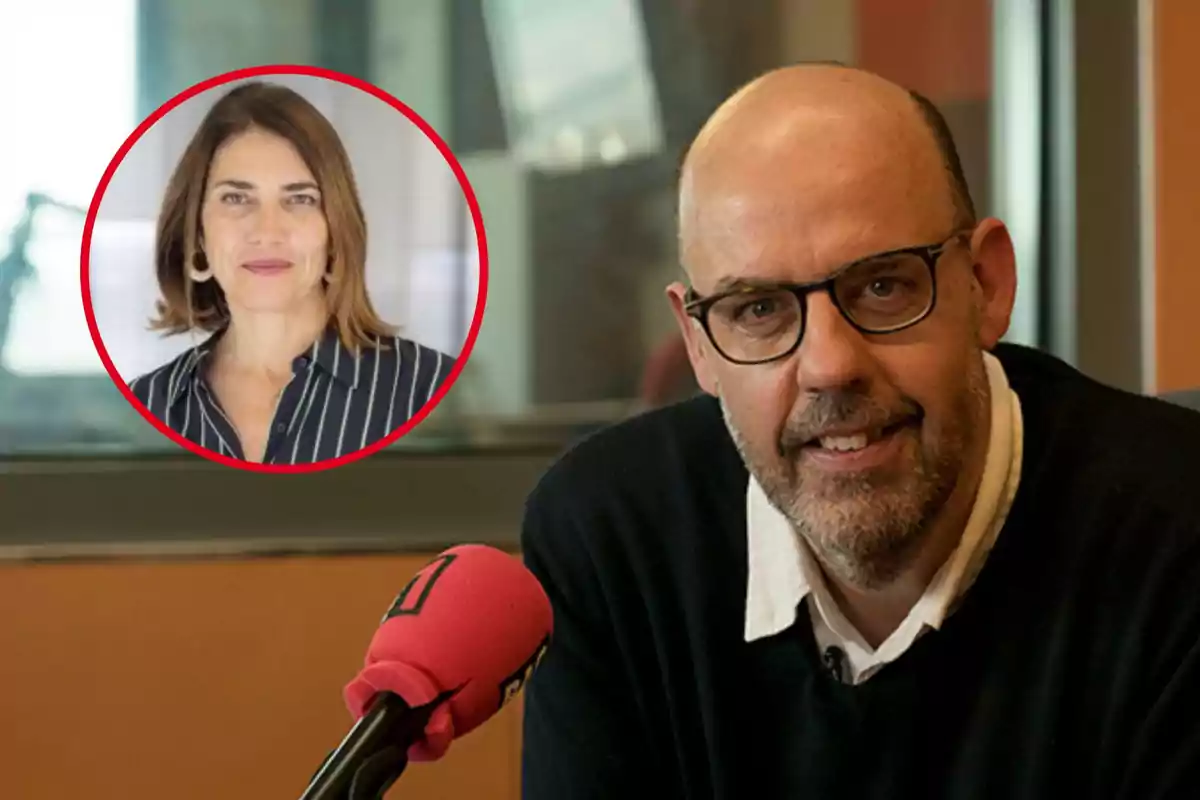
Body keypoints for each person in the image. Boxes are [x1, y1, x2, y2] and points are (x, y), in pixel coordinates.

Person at [519, 64, 1200, 799]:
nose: (830, 366)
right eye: (758, 310)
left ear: (986, 285)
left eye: (883, 286)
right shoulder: (610, 540)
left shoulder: (1178, 538)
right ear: (698, 344)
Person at [128, 81, 454, 465]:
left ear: (335, 232)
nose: (267, 231)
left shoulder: (430, 391)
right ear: (197, 232)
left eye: (299, 199)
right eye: (236, 198)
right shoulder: (148, 404)